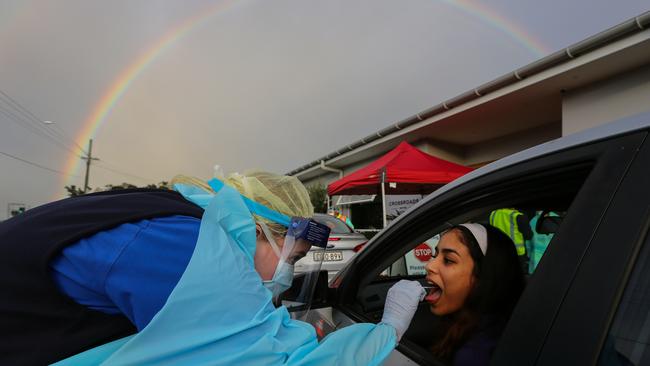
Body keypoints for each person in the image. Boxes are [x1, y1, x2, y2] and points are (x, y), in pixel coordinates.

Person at [0, 170, 423, 365]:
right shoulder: (180, 246)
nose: (287, 274)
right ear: (263, 229)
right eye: (291, 258)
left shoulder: (174, 220)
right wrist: (388, 328)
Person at [422, 223, 525, 365]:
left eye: (448, 260)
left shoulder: (475, 354)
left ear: (482, 277)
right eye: (435, 255)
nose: (429, 265)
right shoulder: (477, 324)